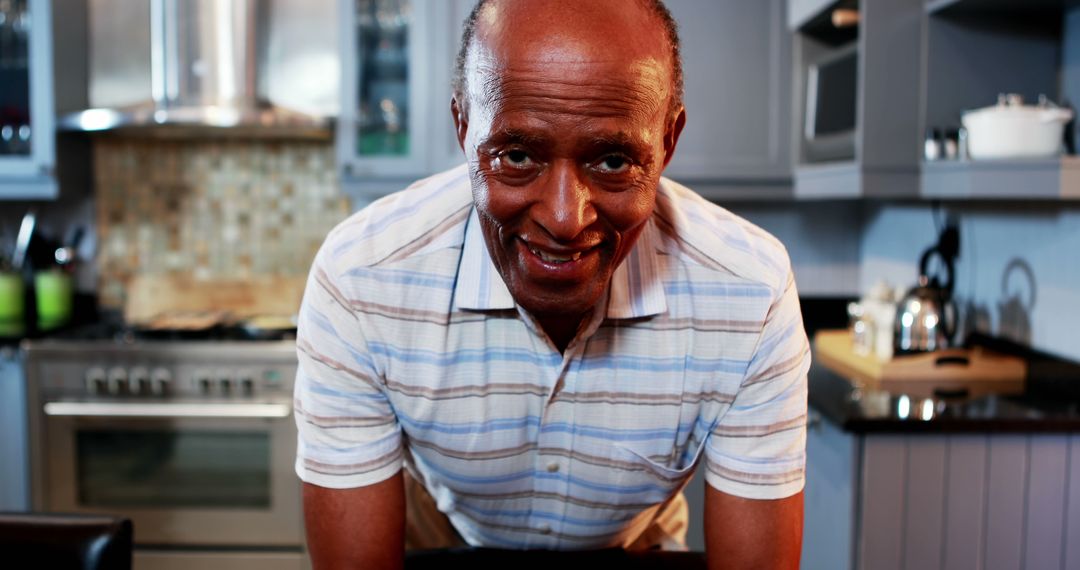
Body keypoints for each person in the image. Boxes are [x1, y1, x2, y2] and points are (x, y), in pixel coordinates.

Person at [294, 0, 810, 568]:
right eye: (516, 155)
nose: (565, 219)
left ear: (668, 141)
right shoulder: (363, 278)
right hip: (441, 541)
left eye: (613, 161)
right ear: (464, 128)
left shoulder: (749, 293)